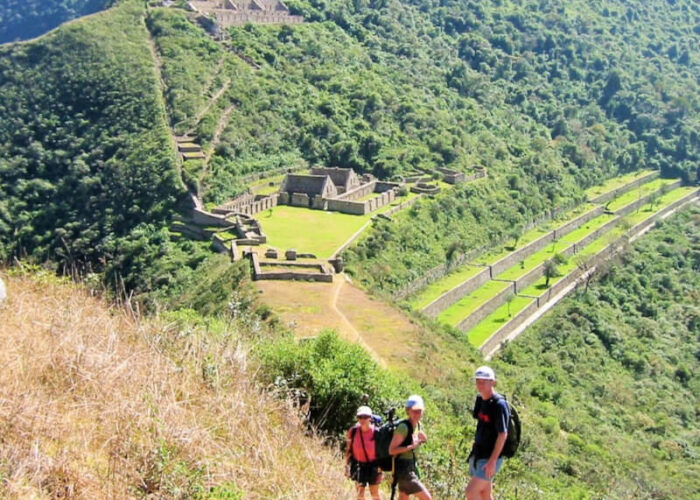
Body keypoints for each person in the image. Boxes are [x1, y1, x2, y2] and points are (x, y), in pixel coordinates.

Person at [465, 366, 509, 500]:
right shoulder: (481, 400)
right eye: (478, 381)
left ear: (493, 382)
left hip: (490, 458)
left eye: (484, 382)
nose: (480, 385)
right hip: (479, 453)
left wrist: (492, 461)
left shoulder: (499, 405)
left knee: (471, 492)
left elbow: (503, 434)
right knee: (485, 494)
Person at [388, 395, 432, 500]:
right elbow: (392, 450)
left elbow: (416, 441)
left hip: (411, 466)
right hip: (404, 470)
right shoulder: (403, 427)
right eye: (414, 411)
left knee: (403, 498)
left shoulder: (418, 425)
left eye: (419, 411)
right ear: (408, 411)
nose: (417, 414)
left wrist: (423, 439)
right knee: (427, 498)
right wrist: (411, 446)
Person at [346, 405, 384, 499]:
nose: (362, 419)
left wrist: (381, 470)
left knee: (374, 493)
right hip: (358, 464)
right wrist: (346, 466)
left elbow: (382, 453)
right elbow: (348, 449)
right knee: (359, 493)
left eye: (365, 417)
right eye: (360, 417)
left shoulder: (376, 432)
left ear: (370, 418)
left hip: (374, 466)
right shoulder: (353, 431)